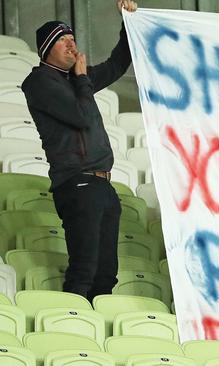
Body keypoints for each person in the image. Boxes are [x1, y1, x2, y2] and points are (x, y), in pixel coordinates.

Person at [21, 0, 138, 302]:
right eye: (64, 41)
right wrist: (84, 78)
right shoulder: (38, 82)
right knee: (84, 269)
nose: (73, 46)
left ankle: (95, 332)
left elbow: (117, 63)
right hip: (77, 183)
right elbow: (79, 116)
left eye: (74, 40)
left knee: (106, 273)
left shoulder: (76, 79)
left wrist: (127, 20)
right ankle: (70, 325)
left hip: (102, 184)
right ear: (47, 49)